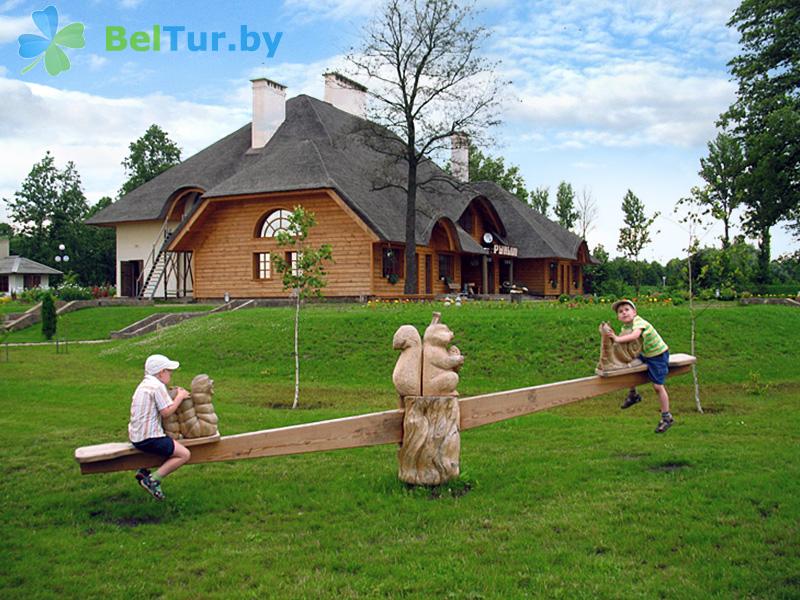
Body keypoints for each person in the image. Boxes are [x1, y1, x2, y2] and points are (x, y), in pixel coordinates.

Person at [605, 299, 673, 433]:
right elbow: (623, 345)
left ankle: (666, 417)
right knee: (628, 364)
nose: (624, 313)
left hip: (658, 356)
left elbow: (635, 335)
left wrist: (617, 339)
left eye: (627, 309)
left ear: (634, 312)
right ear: (618, 317)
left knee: (658, 386)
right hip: (645, 354)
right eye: (620, 311)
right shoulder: (625, 328)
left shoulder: (639, 322)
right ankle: (633, 394)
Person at [129, 354, 191, 499]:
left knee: (169, 445)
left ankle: (144, 469)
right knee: (184, 454)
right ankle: (152, 480)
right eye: (169, 371)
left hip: (136, 436)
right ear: (161, 372)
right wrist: (180, 397)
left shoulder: (144, 384)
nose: (171, 374)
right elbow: (166, 412)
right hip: (149, 439)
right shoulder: (157, 386)